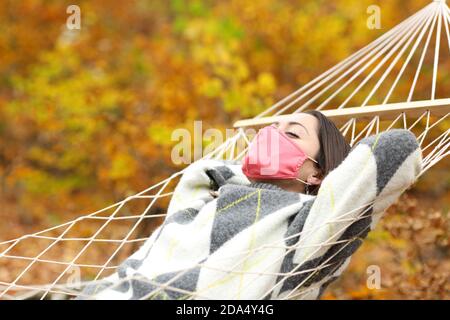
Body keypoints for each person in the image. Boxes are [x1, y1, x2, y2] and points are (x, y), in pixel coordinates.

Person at [76, 111, 422, 300]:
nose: (271, 135)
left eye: (292, 134)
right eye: (272, 128)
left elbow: (396, 147)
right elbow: (199, 175)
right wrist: (242, 173)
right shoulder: (205, 202)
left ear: (317, 173)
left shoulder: (310, 228)